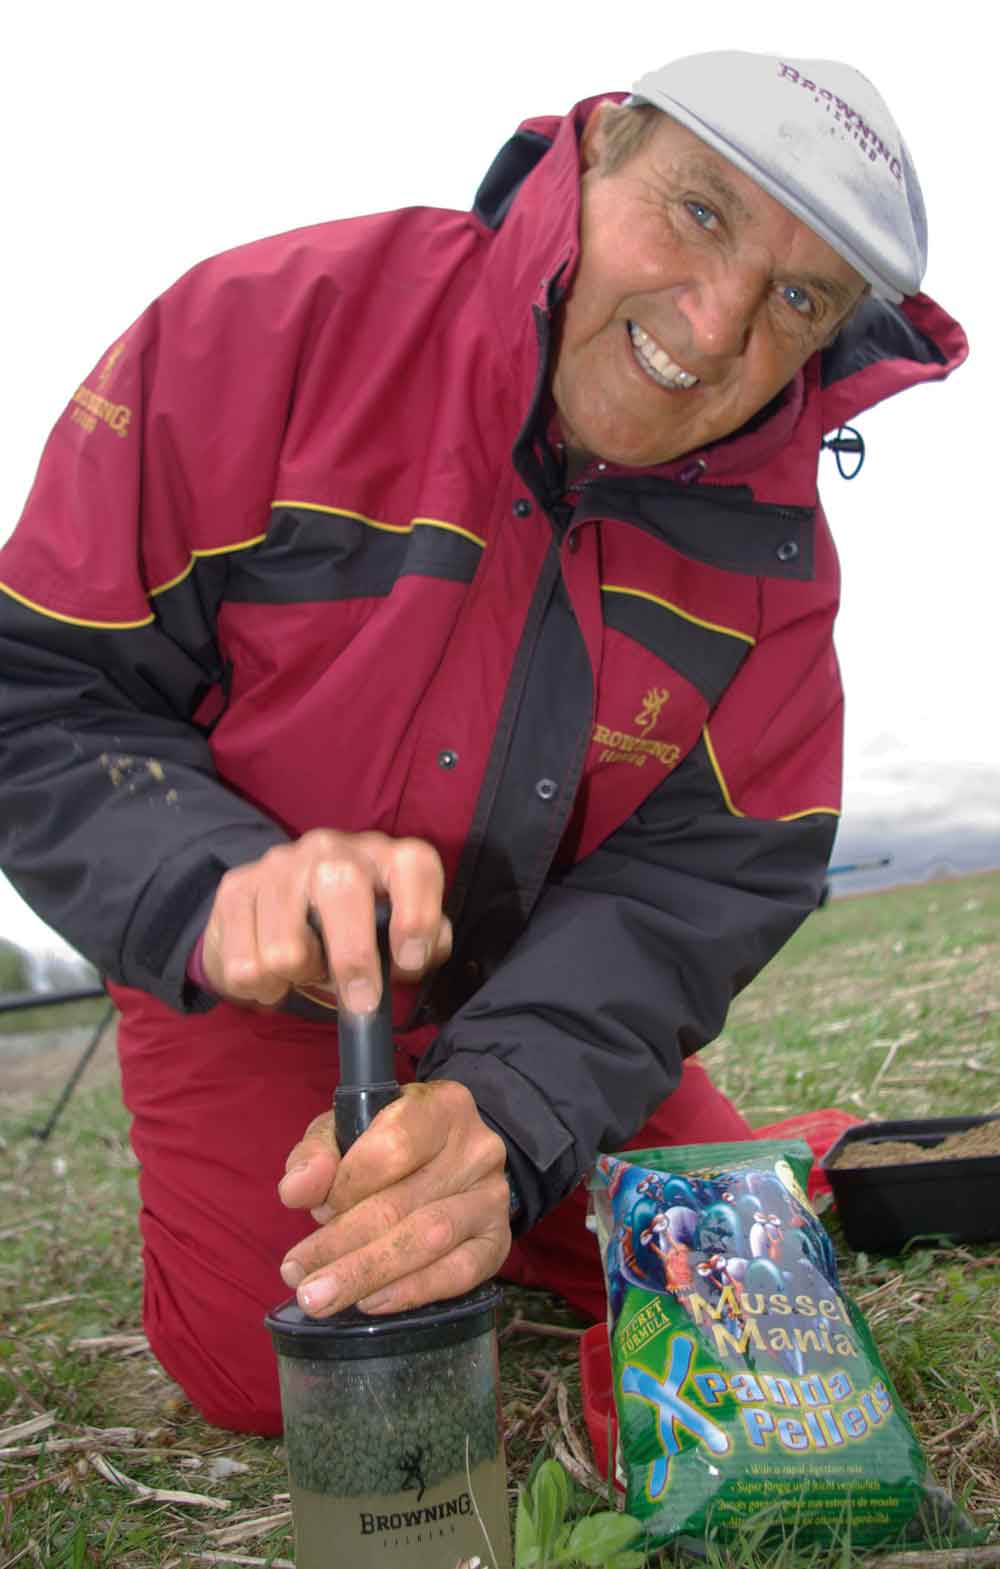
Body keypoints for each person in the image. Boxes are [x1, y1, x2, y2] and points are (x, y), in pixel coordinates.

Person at [0, 50, 966, 1434]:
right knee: (275, 1363)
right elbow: (37, 685)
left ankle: (626, 1165)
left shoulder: (777, 564)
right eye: (700, 212)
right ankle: (537, 1185)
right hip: (258, 987)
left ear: (832, 343)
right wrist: (217, 882)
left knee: (739, 1271)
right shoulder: (264, 330)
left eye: (799, 295)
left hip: (541, 993)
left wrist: (507, 1112)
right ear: (593, 162)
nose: (715, 318)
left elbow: (707, 879)